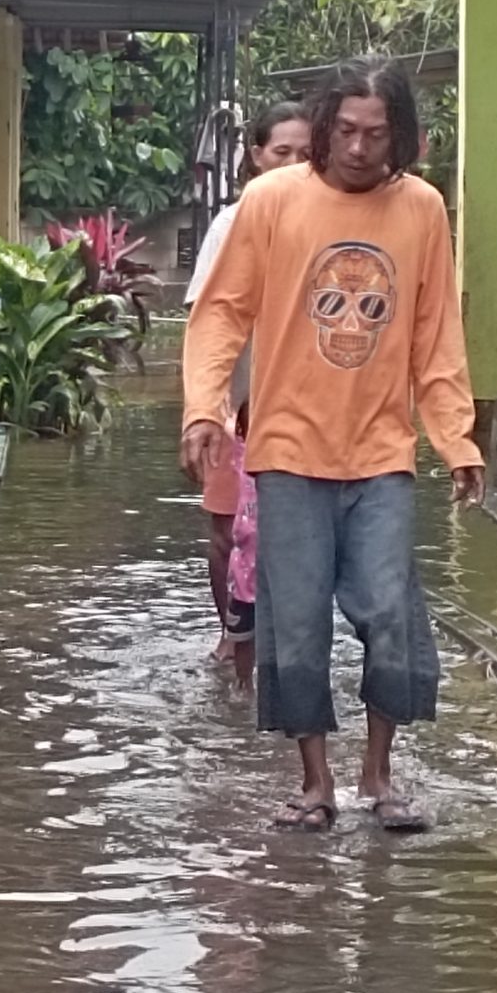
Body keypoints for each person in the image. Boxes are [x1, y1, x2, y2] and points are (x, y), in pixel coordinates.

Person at [181, 60, 485, 834]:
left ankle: (380, 776)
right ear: (324, 128)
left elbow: (435, 335)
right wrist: (203, 408)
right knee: (297, 623)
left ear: (402, 137)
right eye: (345, 131)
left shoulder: (421, 210)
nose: (358, 148)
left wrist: (455, 439)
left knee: (389, 612)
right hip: (285, 452)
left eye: (376, 134)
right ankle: (315, 784)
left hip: (382, 453)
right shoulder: (272, 201)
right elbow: (222, 313)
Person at [189, 103, 313, 655]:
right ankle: (231, 635)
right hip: (234, 406)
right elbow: (208, 323)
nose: (292, 164)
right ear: (256, 157)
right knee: (225, 530)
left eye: (305, 154)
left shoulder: (327, 225)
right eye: (281, 152)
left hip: (302, 412)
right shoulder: (230, 226)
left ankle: (283, 643)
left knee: (291, 534)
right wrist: (206, 411)